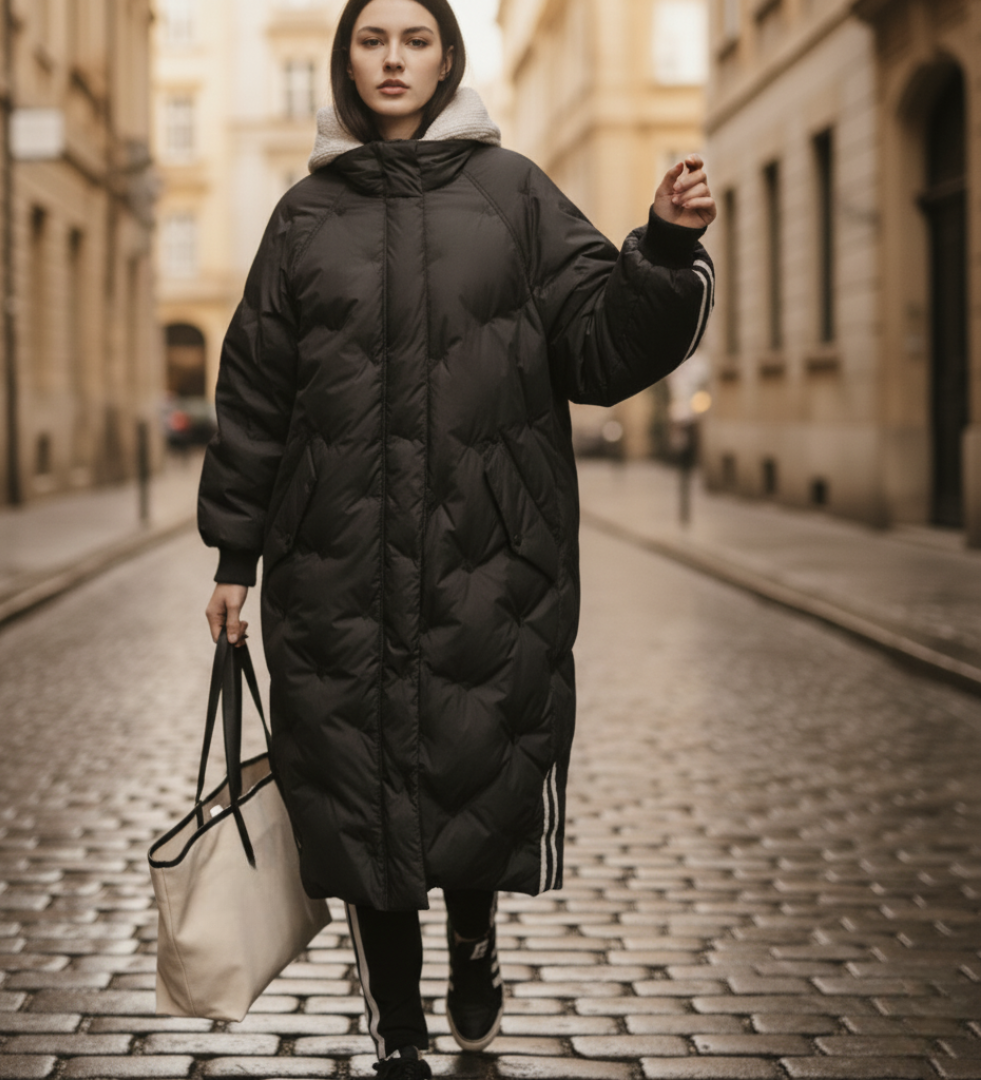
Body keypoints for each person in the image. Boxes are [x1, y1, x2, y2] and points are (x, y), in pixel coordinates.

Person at [199, 0, 716, 1075]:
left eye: (415, 39)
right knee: (355, 789)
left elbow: (596, 345)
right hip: (332, 563)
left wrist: (662, 249)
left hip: (488, 553)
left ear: (447, 58)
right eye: (373, 40)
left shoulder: (515, 191)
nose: (393, 60)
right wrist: (234, 558)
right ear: (349, 59)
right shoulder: (302, 215)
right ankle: (396, 1020)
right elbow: (255, 394)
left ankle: (473, 943)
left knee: (474, 770)